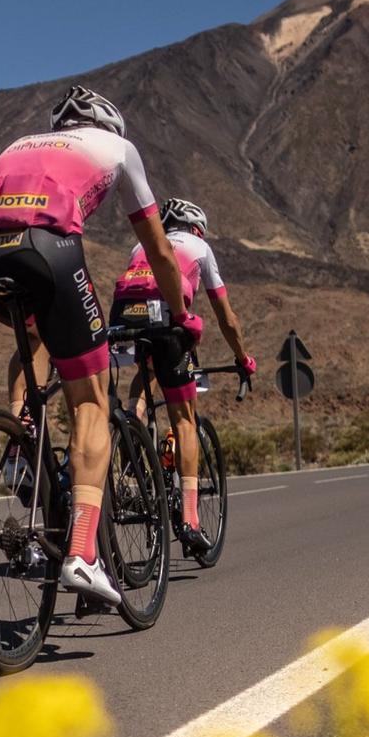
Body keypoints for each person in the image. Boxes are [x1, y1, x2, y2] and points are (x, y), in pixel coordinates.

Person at [0, 86, 193, 604]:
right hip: (48, 251)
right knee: (91, 399)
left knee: (37, 335)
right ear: (110, 126)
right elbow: (158, 247)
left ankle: (25, 441)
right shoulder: (119, 149)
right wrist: (180, 317)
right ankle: (83, 555)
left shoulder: (19, 143)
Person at [110, 198, 253, 555]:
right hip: (167, 319)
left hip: (125, 312)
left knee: (145, 371)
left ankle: (132, 431)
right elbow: (225, 315)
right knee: (185, 419)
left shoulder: (140, 244)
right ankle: (190, 519)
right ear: (196, 228)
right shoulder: (199, 248)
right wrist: (243, 358)